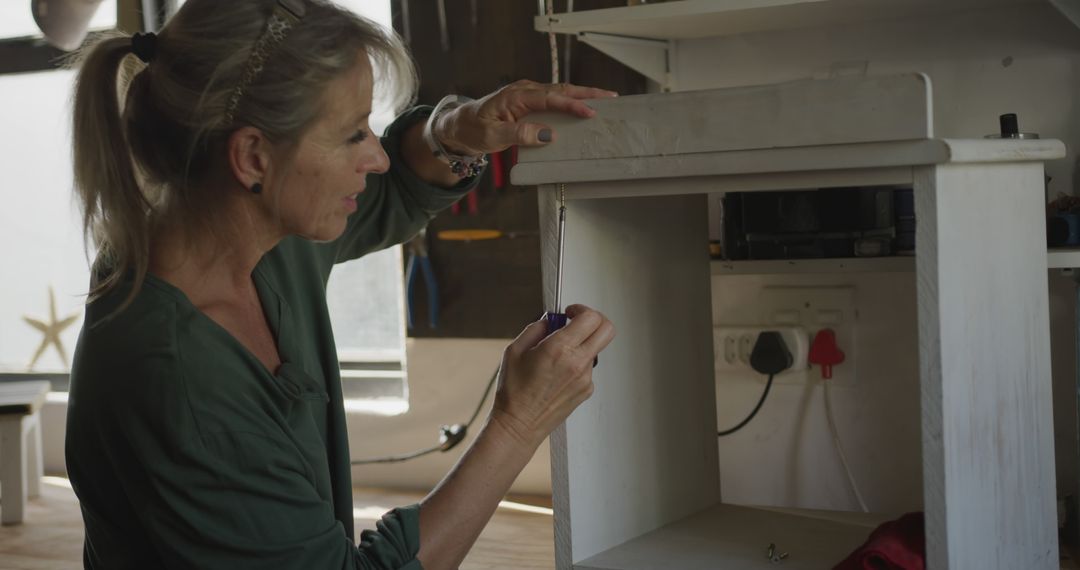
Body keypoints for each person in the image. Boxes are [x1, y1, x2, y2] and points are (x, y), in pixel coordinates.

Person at [63, 0, 616, 568]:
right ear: (253, 157)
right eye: (353, 134)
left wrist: (458, 131)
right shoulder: (175, 378)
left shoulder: (241, 232)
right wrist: (518, 423)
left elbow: (398, 187)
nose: (376, 157)